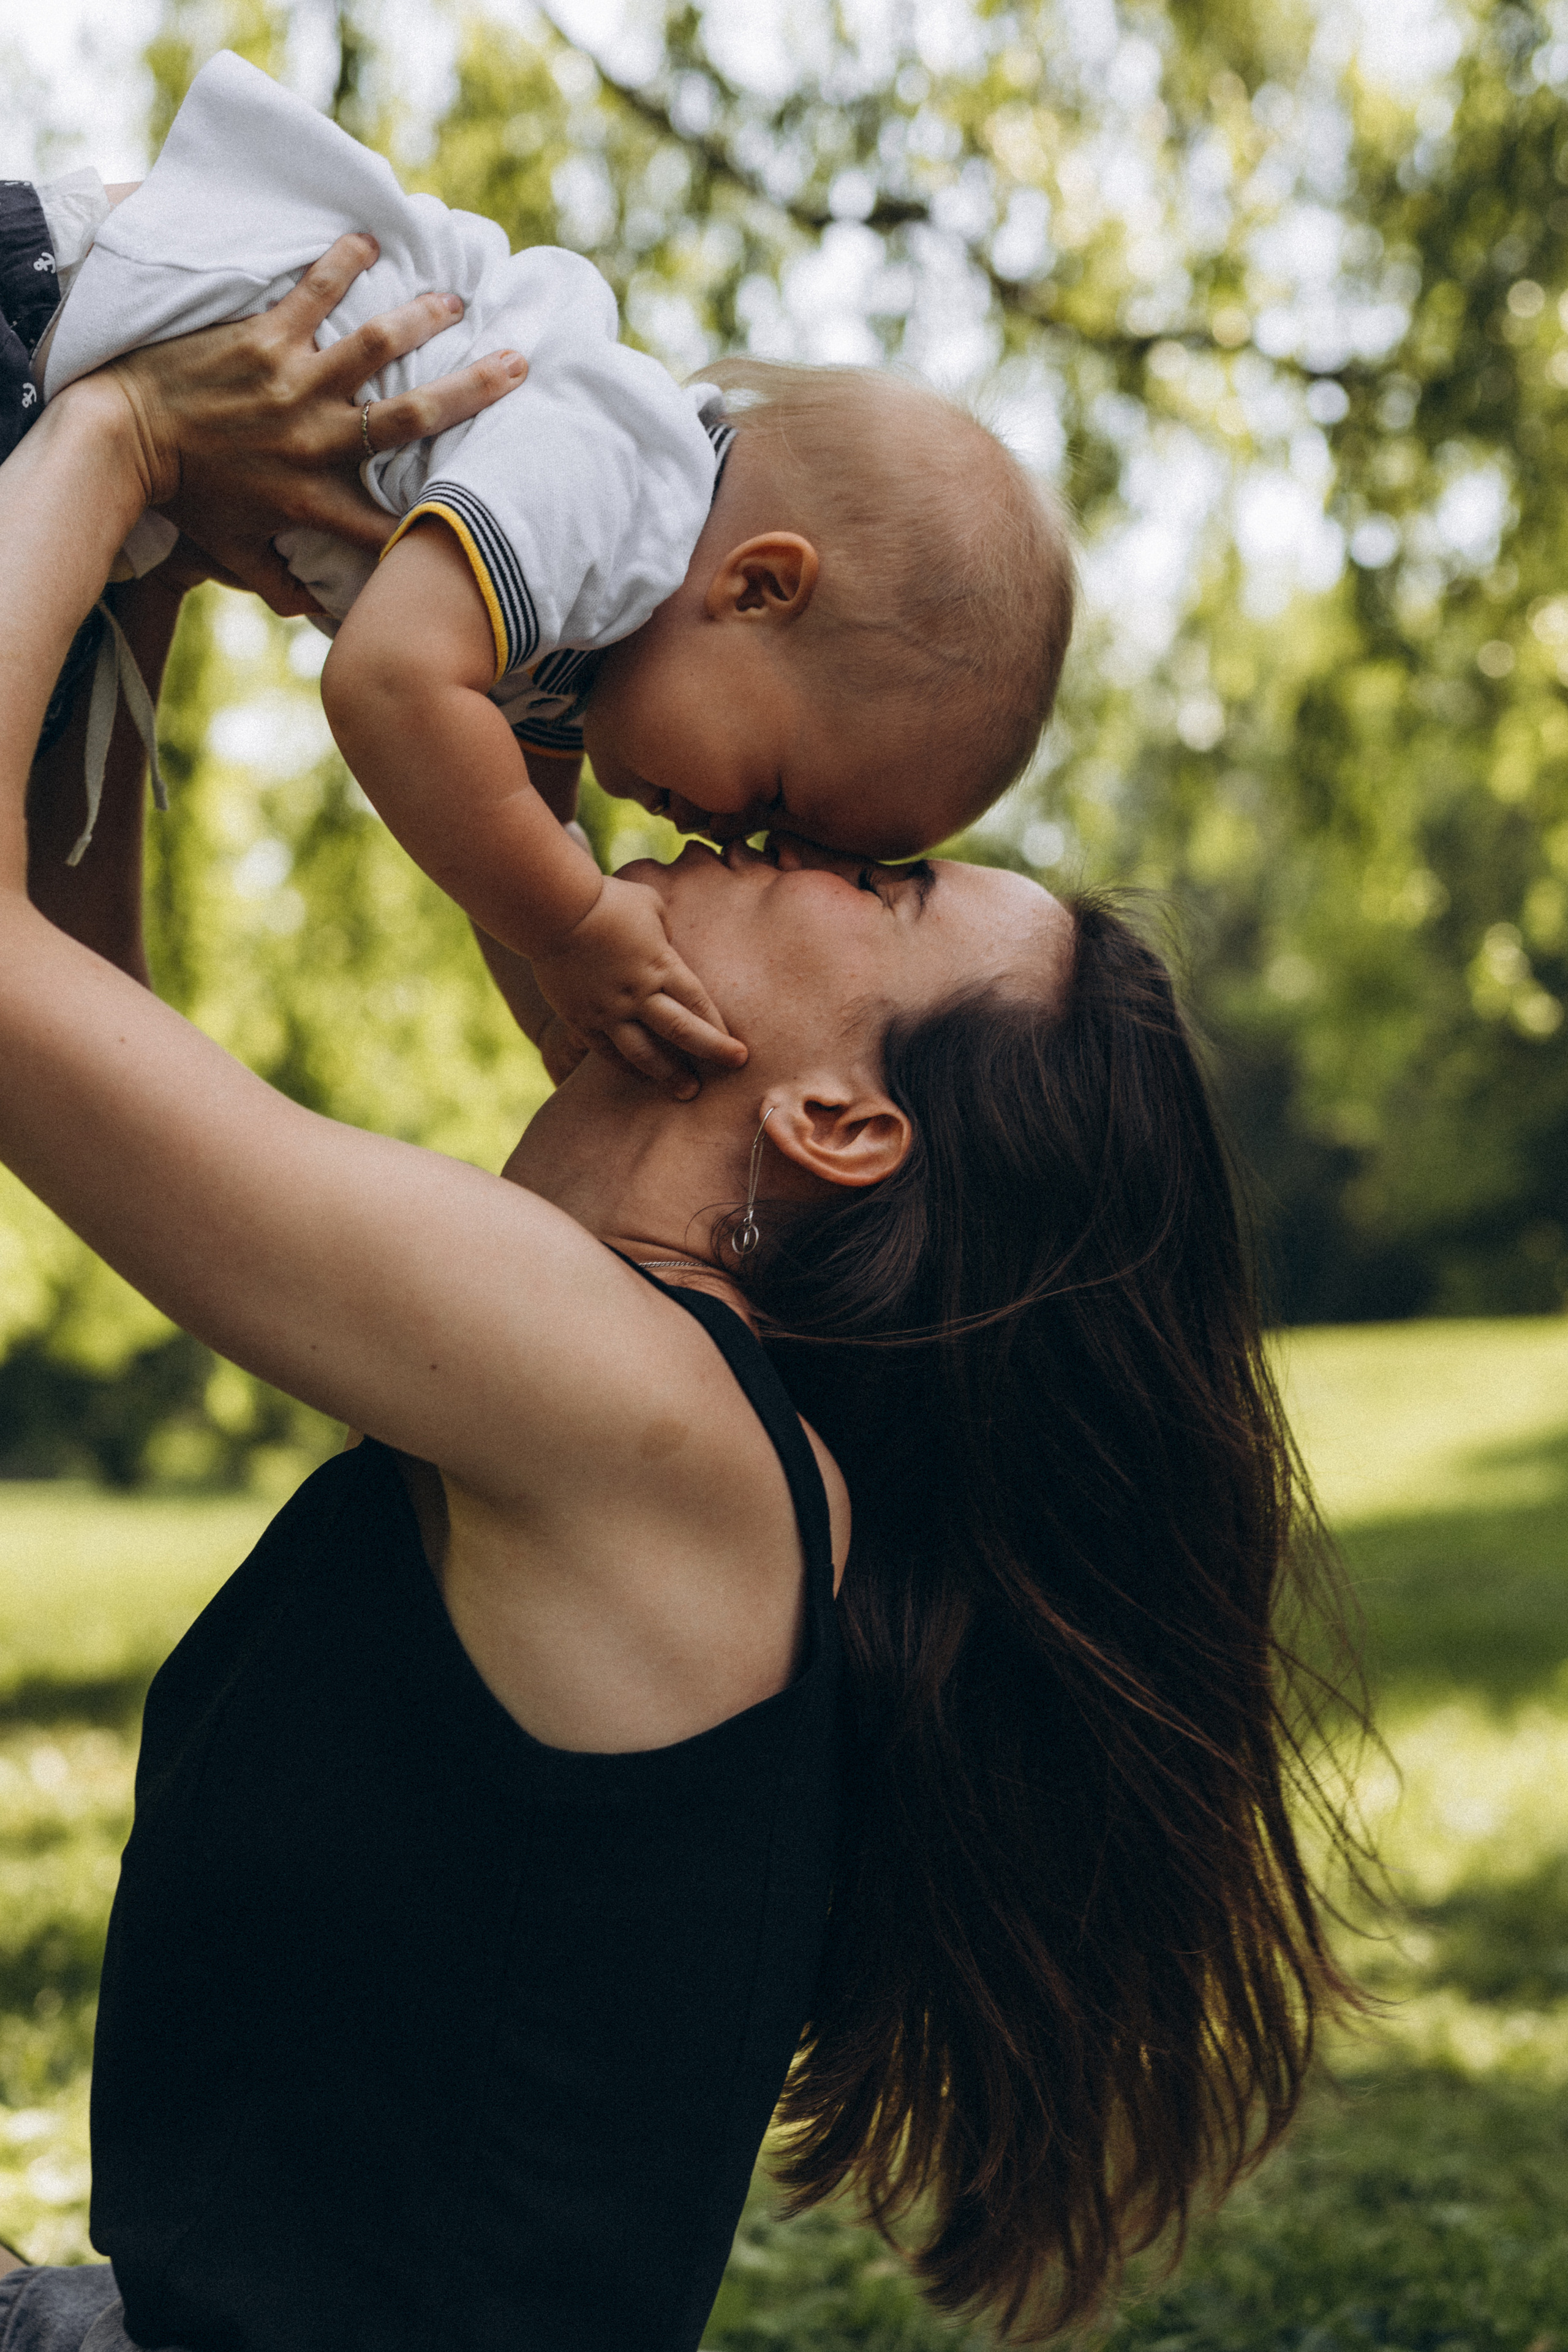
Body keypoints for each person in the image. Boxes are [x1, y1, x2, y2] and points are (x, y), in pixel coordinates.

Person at [0, 263, 1360, 2352]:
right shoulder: (676, 1436)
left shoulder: (650, 1434)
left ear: (837, 1119)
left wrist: (119, 438)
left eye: (877, 883)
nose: (761, 818)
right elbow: (73, 1023)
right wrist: (153, 582)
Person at [20, 48, 1076, 1091]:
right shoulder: (626, 477)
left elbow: (510, 817)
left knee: (86, 986)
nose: (724, 836)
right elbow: (389, 684)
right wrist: (575, 928)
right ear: (757, 588)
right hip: (44, 326)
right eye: (770, 797)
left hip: (83, 462)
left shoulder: (584, 656)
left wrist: (564, 1029)